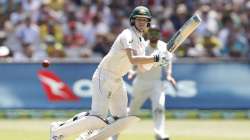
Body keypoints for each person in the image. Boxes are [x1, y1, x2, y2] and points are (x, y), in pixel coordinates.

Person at [50, 6, 172, 140]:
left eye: (144, 20)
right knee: (97, 117)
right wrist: (155, 58)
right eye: (139, 19)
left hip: (118, 80)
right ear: (133, 21)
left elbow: (143, 68)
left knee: (120, 118)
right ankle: (58, 131)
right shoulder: (127, 34)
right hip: (104, 76)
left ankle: (84, 135)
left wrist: (159, 61)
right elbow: (133, 59)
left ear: (148, 22)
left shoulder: (142, 42)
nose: (141, 22)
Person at [114, 24, 176, 140]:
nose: (153, 34)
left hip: (156, 83)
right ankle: (114, 134)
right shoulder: (142, 46)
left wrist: (168, 75)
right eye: (151, 32)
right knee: (132, 112)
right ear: (148, 33)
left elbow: (167, 62)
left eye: (156, 32)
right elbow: (137, 62)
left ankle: (159, 133)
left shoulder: (164, 47)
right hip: (141, 82)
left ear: (159, 34)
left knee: (159, 106)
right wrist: (133, 71)